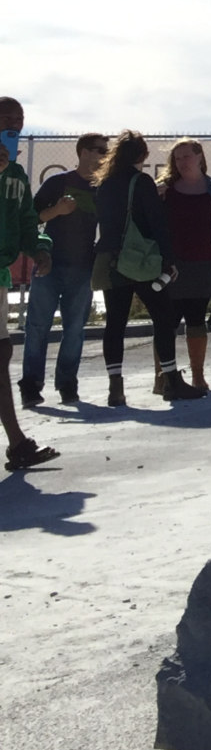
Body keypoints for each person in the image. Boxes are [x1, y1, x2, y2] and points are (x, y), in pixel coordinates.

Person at [93, 130, 199, 405]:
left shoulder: (104, 184)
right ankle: (171, 380)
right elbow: (156, 223)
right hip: (140, 261)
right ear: (142, 155)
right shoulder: (141, 182)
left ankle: (115, 387)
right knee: (163, 318)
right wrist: (168, 259)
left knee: (115, 323)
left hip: (111, 259)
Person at [20, 131, 107, 407]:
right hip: (49, 264)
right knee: (37, 327)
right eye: (99, 150)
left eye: (107, 151)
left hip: (83, 268)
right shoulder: (57, 182)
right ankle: (31, 385)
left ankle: (67, 384)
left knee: (75, 329)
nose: (104, 156)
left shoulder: (103, 188)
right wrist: (55, 212)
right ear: (83, 152)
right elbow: (29, 220)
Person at [0, 95, 59, 470]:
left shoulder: (18, 175)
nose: (14, 125)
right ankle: (17, 442)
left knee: (2, 353)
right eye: (6, 119)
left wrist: (40, 247)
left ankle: (18, 443)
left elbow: (25, 222)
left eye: (18, 120)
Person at [156, 140, 211, 398]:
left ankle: (197, 375)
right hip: (171, 263)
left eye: (187, 156)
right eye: (177, 158)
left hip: (206, 260)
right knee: (166, 320)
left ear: (200, 157)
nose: (182, 162)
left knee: (196, 316)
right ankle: (163, 378)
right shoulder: (164, 189)